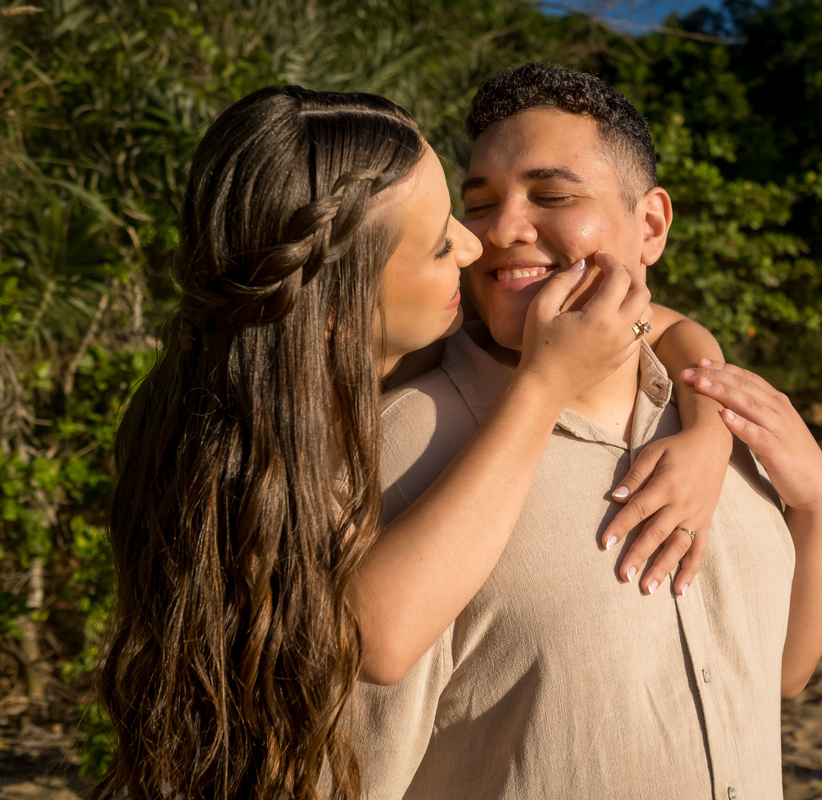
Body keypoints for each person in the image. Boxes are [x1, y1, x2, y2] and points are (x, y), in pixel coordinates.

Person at [91, 85, 735, 800]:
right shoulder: (297, 444)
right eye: (439, 243)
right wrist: (542, 386)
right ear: (335, 307)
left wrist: (709, 421)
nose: (476, 243)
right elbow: (383, 639)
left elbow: (659, 320)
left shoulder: (307, 348)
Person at [350, 63, 822, 800]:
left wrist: (819, 507)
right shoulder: (403, 443)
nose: (501, 231)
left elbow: (780, 675)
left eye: (551, 196)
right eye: (479, 205)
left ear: (651, 226)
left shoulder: (729, 417)